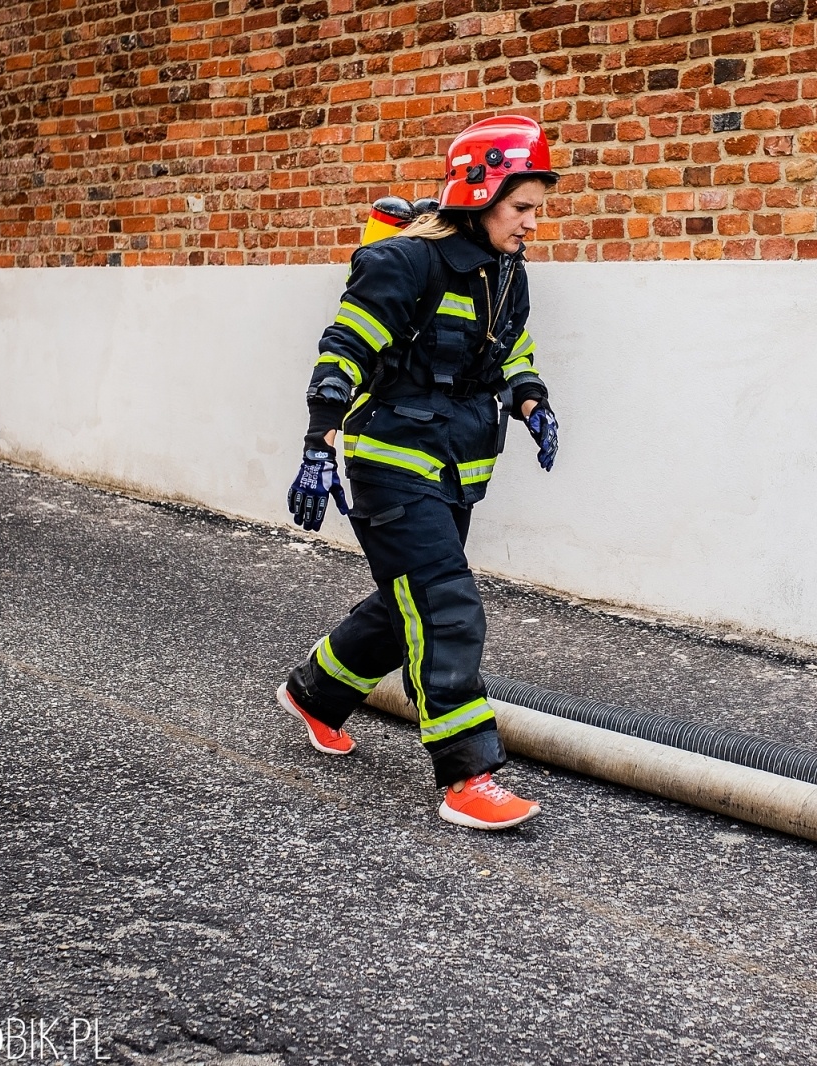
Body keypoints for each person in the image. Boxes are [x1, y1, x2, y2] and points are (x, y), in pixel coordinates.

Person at [278, 115, 562, 831]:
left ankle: (315, 694)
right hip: (392, 464)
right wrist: (318, 442)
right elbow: (346, 349)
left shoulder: (507, 271)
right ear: (480, 194)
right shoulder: (404, 263)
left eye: (537, 209)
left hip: (457, 467)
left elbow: (510, 349)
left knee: (404, 597)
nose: (533, 223)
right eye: (521, 207)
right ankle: (468, 776)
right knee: (444, 604)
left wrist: (532, 400)